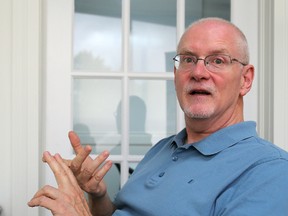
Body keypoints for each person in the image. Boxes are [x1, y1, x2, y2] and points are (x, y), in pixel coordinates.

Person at [28, 17, 288, 215]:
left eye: (217, 60)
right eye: (187, 59)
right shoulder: (162, 149)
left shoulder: (271, 170)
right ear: (175, 76)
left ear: (246, 79)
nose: (198, 71)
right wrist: (97, 195)